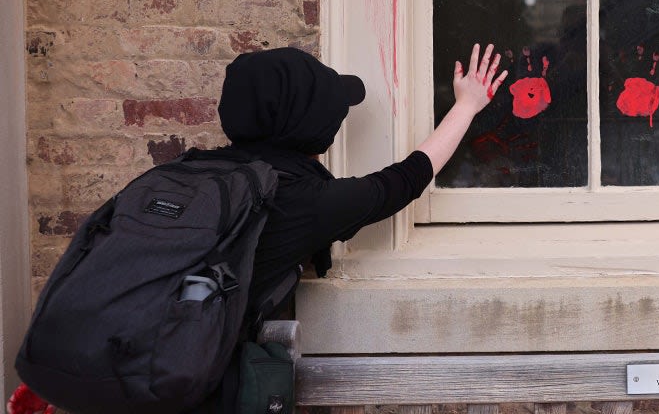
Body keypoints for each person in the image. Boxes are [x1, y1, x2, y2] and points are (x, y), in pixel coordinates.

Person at [209, 42, 506, 410]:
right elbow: (404, 181)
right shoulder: (300, 200)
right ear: (311, 123)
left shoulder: (187, 173)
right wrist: (467, 105)